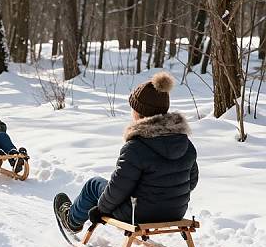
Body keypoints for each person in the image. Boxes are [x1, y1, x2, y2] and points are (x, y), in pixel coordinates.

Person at [55, 71, 199, 232]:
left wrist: (100, 210)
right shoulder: (186, 144)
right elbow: (191, 183)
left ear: (139, 113)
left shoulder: (136, 147)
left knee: (93, 185)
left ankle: (72, 221)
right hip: (175, 211)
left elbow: (118, 188)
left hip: (136, 214)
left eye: (133, 108)